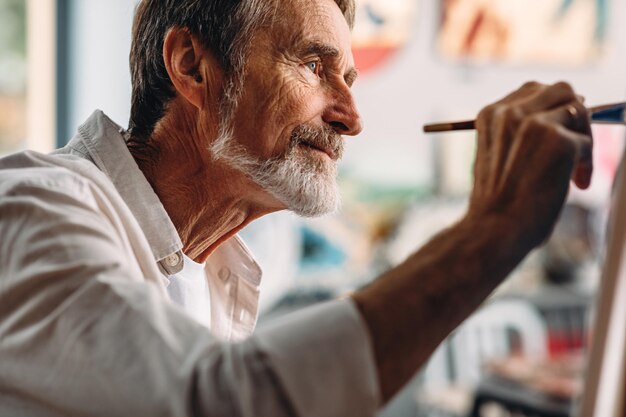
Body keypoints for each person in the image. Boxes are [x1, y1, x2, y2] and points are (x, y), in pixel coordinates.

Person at [0, 0, 593, 416]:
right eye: (315, 66)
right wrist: (491, 231)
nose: (351, 116)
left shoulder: (213, 268)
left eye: (349, 78)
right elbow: (220, 403)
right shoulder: (36, 209)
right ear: (192, 66)